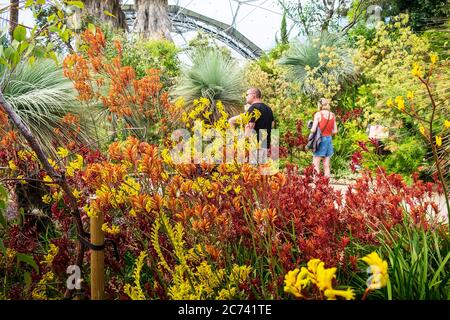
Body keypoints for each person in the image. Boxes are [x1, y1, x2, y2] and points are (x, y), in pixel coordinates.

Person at [244, 88, 274, 163]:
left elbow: (249, 129)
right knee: (261, 171)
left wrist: (244, 146)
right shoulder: (268, 109)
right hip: (265, 146)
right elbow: (272, 125)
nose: (246, 97)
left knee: (252, 172)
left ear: (254, 95)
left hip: (254, 148)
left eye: (247, 95)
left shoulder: (254, 108)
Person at [310, 98, 337, 177]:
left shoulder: (318, 114)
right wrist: (328, 132)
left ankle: (317, 184)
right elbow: (335, 131)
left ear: (320, 105)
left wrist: (311, 127)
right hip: (329, 140)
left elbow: (313, 130)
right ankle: (326, 185)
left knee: (315, 164)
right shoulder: (332, 115)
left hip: (320, 140)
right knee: (326, 165)